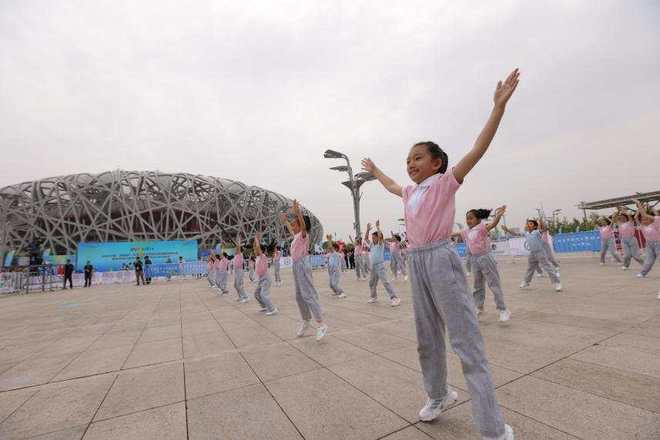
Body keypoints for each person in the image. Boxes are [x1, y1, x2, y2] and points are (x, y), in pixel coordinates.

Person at [361, 68, 519, 440]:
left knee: (464, 340)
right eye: (408, 159)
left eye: (418, 157)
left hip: (440, 259)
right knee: (426, 337)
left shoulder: (445, 183)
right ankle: (438, 394)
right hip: (416, 262)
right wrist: (376, 170)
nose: (411, 163)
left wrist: (497, 108)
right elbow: (389, 183)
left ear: (436, 163)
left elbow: (478, 149)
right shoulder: (409, 193)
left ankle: (492, 427)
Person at [279, 200, 328, 341]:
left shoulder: (303, 236)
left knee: (308, 294)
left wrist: (298, 212)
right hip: (296, 265)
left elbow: (303, 227)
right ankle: (306, 320)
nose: (292, 226)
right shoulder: (296, 236)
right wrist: (286, 221)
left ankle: (321, 324)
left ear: (301, 226)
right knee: (299, 296)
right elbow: (290, 228)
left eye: (295, 224)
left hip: (302, 264)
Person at [454, 206, 510, 322]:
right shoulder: (466, 231)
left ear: (478, 219)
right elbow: (454, 233)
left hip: (486, 258)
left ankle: (503, 309)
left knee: (493, 284)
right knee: (477, 285)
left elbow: (493, 224)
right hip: (475, 260)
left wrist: (498, 215)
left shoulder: (481, 228)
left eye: (471, 218)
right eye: (467, 218)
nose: (468, 221)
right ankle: (479, 306)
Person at [503, 219, 562, 292]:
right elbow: (515, 234)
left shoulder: (536, 232)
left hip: (540, 252)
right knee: (530, 268)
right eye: (528, 224)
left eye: (530, 224)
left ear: (534, 226)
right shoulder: (526, 233)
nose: (528, 225)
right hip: (532, 253)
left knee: (547, 267)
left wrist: (542, 223)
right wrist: (507, 230)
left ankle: (557, 283)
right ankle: (526, 282)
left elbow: (545, 229)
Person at [365, 221, 401, 306]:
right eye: (372, 237)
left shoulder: (380, 244)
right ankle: (374, 297)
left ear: (378, 238)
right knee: (372, 283)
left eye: (374, 237)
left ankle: (395, 298)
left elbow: (381, 237)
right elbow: (366, 238)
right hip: (373, 266)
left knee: (385, 282)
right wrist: (367, 230)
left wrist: (378, 227)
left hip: (380, 266)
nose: (372, 239)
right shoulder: (371, 245)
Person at [253, 234, 278, 315]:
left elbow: (258, 248)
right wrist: (255, 241)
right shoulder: (258, 257)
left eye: (256, 250)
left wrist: (257, 239)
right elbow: (255, 248)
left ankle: (273, 309)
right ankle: (264, 306)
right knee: (256, 294)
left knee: (263, 294)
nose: (255, 251)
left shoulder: (263, 256)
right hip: (261, 279)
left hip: (266, 279)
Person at [634, 200, 659, 278]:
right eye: (642, 220)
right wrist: (639, 208)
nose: (643, 221)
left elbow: (645, 214)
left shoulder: (656, 223)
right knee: (648, 260)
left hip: (658, 243)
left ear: (651, 219)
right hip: (648, 244)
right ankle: (642, 273)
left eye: (646, 219)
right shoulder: (642, 227)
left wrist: (639, 204)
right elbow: (635, 217)